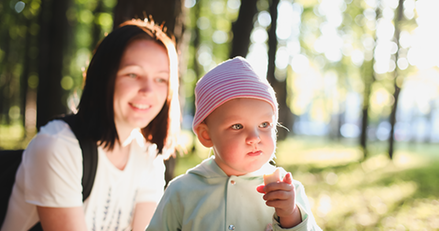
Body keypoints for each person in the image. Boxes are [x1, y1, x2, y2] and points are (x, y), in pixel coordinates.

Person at [1, 18, 181, 231]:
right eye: (133, 74)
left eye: (161, 79)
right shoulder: (58, 146)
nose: (148, 90)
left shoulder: (149, 157)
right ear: (104, 77)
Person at [146, 57, 321, 231]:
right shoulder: (181, 191)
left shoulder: (287, 191)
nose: (254, 137)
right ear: (206, 135)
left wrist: (291, 215)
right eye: (237, 126)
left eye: (264, 124)